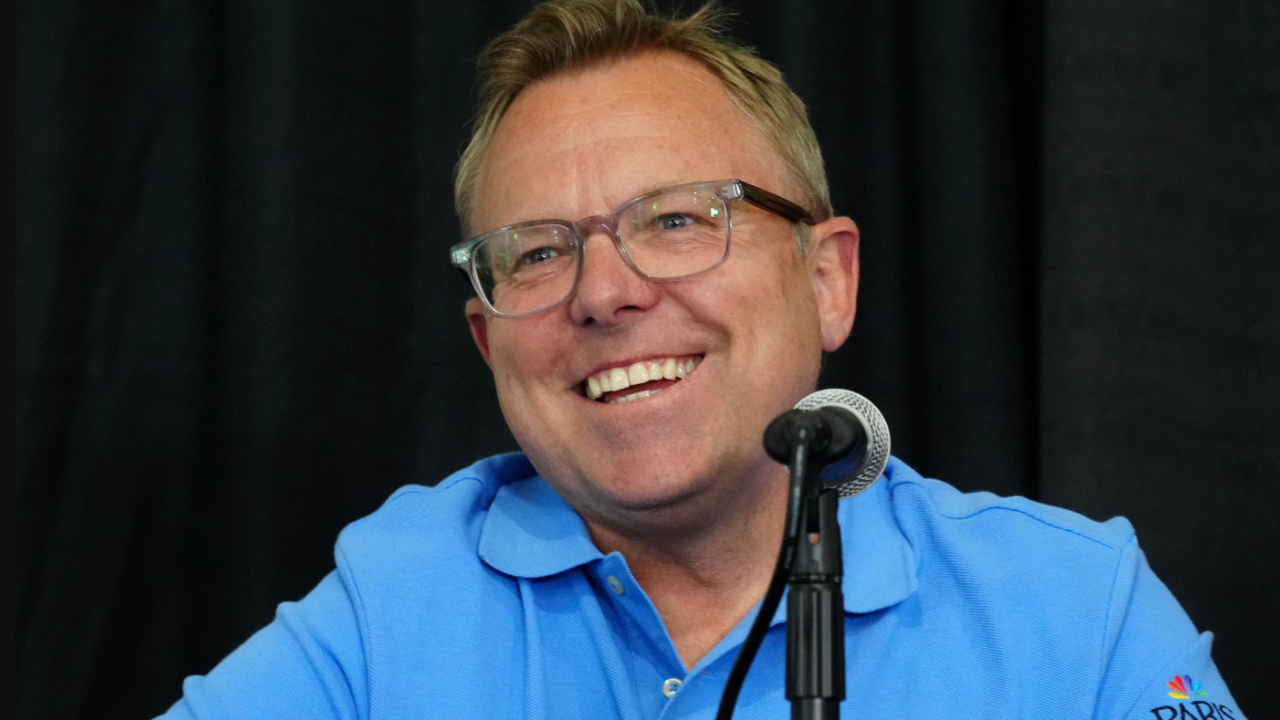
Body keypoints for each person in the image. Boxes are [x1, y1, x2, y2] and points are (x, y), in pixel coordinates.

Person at [159, 1, 1245, 718]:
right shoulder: (392, 605)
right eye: (536, 253)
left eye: (676, 221)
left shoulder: (1073, 607)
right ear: (490, 344)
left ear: (828, 279)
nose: (603, 291)